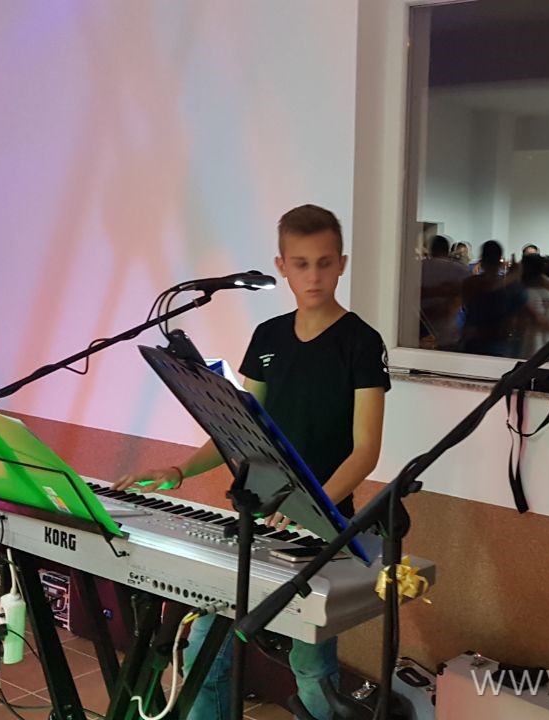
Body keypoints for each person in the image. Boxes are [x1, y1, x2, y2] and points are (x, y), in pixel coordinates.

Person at [114, 204, 390, 720]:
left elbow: (366, 450)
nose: (314, 276)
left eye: (324, 263)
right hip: (255, 518)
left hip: (321, 528)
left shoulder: (361, 341)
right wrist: (178, 471)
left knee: (311, 666)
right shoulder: (268, 336)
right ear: (282, 265)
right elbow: (237, 430)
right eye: (301, 263)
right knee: (205, 652)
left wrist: (314, 506)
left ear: (342, 264)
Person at [461, 240, 526, 357]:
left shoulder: (471, 283)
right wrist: (513, 276)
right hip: (499, 346)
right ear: (500, 262)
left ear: (482, 261)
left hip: (475, 343)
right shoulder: (512, 287)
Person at [420, 235, 469, 350]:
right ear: (448, 251)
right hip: (448, 328)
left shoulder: (419, 267)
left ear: (431, 250)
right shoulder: (460, 270)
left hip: (421, 326)